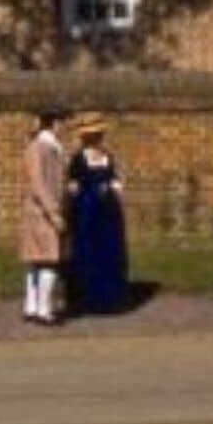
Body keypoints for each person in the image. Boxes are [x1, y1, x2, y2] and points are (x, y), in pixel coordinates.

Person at [66, 114, 131, 316]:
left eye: (98, 134)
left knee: (109, 250)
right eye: (92, 135)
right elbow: (73, 186)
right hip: (87, 210)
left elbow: (113, 177)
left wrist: (115, 186)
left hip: (108, 211)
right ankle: (86, 298)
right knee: (87, 250)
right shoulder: (78, 159)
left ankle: (109, 298)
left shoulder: (107, 157)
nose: (96, 138)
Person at [19, 106, 70, 326]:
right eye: (63, 122)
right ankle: (43, 309)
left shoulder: (48, 147)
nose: (65, 127)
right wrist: (54, 212)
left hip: (39, 210)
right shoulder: (41, 147)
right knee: (48, 259)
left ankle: (31, 307)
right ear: (55, 123)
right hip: (42, 211)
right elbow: (38, 182)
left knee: (36, 260)